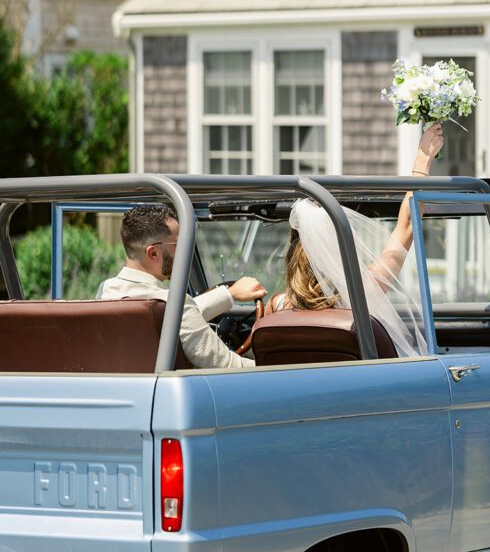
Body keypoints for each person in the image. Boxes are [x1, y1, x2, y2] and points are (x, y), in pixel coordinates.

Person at [269, 124, 444, 357]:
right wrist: (422, 160)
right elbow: (407, 226)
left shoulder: (276, 306)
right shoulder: (360, 294)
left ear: (292, 253)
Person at [99, 205, 266, 369]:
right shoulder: (171, 305)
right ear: (153, 253)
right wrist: (283, 368)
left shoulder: (105, 292)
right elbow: (228, 365)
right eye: (178, 244)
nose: (186, 251)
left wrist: (230, 294)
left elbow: (176, 317)